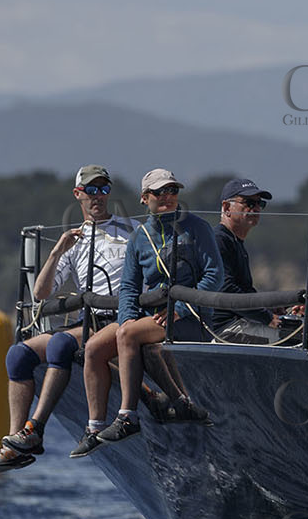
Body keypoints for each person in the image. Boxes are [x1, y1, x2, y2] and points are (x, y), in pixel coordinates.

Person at [0, 165, 138, 472]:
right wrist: (57, 251)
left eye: (104, 190)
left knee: (61, 346)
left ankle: (34, 429)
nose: (98, 197)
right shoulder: (75, 240)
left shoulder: (131, 229)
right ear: (78, 195)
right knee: (18, 354)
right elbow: (41, 293)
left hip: (117, 316)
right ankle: (15, 442)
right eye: (91, 190)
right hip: (88, 318)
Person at [74, 169, 223, 455]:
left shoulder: (198, 227)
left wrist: (179, 309)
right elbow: (129, 288)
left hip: (193, 318)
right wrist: (126, 320)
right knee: (94, 346)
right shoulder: (139, 236)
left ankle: (127, 416)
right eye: (159, 192)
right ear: (144, 199)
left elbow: (214, 276)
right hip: (152, 318)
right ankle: (94, 426)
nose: (167, 197)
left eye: (172, 191)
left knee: (129, 334)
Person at [209, 177, 300, 344]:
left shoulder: (235, 242)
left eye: (260, 204)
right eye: (249, 203)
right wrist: (266, 317)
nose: (256, 208)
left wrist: (268, 307)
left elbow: (244, 291)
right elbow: (226, 288)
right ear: (226, 207)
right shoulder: (219, 240)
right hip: (226, 328)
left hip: (241, 322)